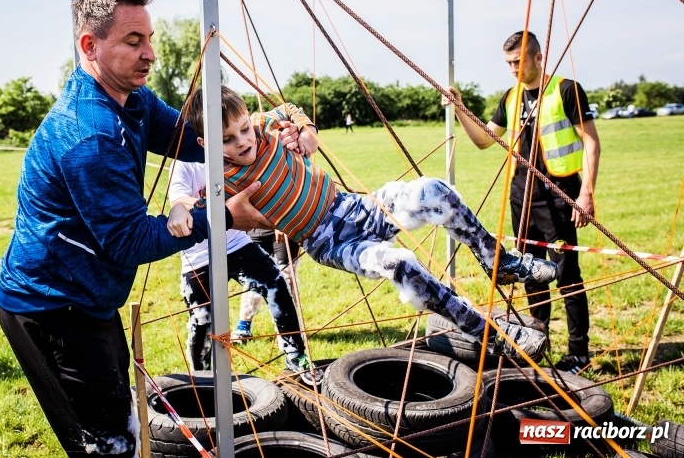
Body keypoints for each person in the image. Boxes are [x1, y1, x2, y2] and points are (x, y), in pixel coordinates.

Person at [0, 0, 294, 457]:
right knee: (106, 445)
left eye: (149, 39)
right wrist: (222, 217)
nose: (150, 53)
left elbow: (194, 139)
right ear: (90, 46)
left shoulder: (131, 100)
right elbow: (131, 240)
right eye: (134, 41)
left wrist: (268, 136)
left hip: (90, 296)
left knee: (124, 424)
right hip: (50, 306)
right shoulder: (90, 135)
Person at [178, 85, 558, 365]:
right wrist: (187, 209)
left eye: (243, 129)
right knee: (400, 263)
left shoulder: (264, 125)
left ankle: (498, 260)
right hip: (327, 241)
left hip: (351, 206)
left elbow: (291, 109)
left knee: (432, 190)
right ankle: (491, 334)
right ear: (205, 144)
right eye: (227, 140)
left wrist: (307, 132)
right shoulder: (221, 180)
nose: (242, 141)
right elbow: (198, 213)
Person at [445, 30, 600, 374]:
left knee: (567, 276)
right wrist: (459, 108)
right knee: (531, 274)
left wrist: (586, 193)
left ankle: (578, 353)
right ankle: (537, 343)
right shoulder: (511, 98)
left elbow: (591, 141)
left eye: (518, 61)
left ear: (538, 57)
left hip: (559, 196)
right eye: (509, 63)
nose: (513, 69)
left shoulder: (565, 90)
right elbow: (484, 140)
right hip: (522, 197)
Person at [167, 161, 316, 382]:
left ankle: (296, 356)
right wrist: (222, 206)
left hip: (237, 244)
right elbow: (178, 200)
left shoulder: (230, 154)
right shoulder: (184, 163)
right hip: (199, 255)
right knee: (201, 320)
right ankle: (202, 379)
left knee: (276, 284)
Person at [231, 228, 302, 342]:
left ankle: (288, 331)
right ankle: (243, 327)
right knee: (253, 278)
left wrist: (283, 224)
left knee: (286, 277)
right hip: (253, 228)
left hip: (281, 226)